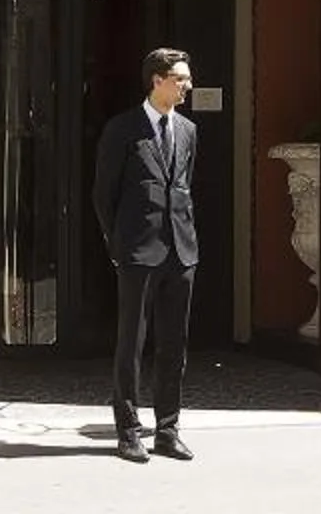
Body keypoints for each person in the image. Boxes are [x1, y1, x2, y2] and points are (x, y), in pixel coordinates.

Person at [91, 46, 200, 463]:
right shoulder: (123, 128)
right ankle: (129, 431)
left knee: (174, 344)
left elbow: (186, 187)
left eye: (187, 79)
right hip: (138, 251)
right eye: (181, 79)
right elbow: (104, 194)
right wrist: (117, 246)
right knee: (131, 343)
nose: (187, 85)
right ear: (158, 80)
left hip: (181, 251)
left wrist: (188, 241)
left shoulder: (188, 130)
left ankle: (168, 431)